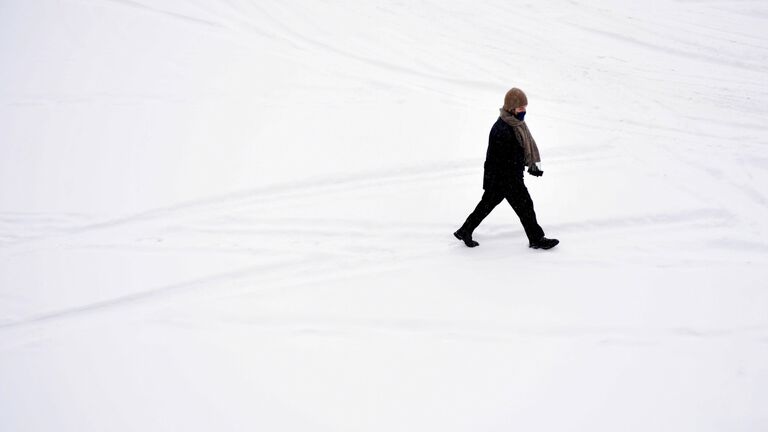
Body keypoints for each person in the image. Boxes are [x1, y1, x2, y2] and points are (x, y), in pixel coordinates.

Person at [454, 87, 559, 250]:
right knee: (524, 206)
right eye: (521, 108)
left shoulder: (516, 125)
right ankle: (537, 239)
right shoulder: (502, 129)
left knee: (487, 206)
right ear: (511, 108)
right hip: (504, 179)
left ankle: (464, 230)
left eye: (525, 107)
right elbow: (501, 160)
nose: (524, 111)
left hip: (506, 178)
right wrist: (514, 180)